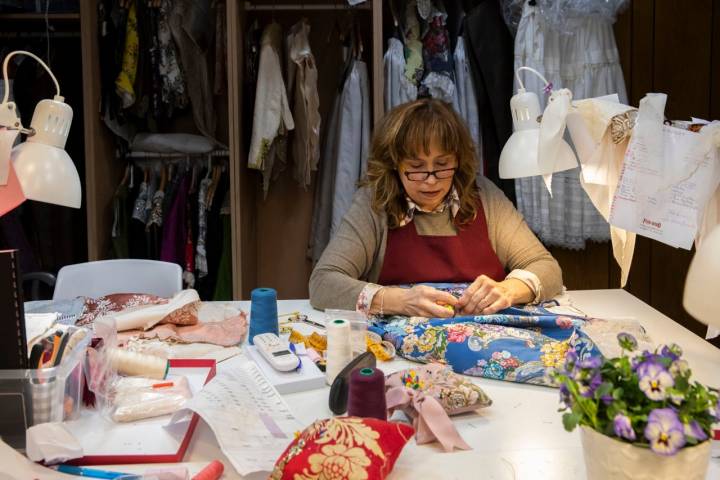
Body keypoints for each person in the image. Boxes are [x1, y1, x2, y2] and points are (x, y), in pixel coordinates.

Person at [309, 98, 562, 319]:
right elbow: (323, 283)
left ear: (458, 161)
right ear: (394, 165)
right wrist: (400, 301)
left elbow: (546, 268)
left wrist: (509, 290)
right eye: (416, 167)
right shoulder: (375, 203)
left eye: (442, 165)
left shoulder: (484, 196)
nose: (430, 180)